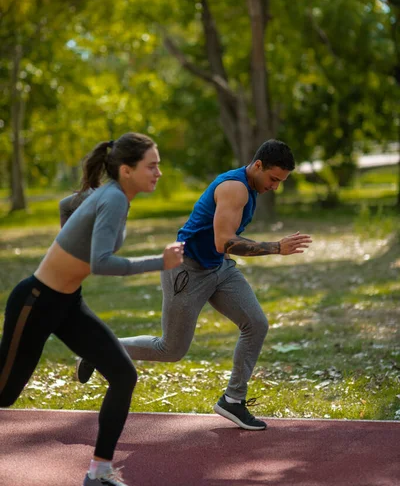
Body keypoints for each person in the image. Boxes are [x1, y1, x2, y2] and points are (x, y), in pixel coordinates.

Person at [77, 139, 312, 431]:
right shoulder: (234, 188)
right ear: (258, 165)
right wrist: (276, 247)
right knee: (170, 350)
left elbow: (220, 246)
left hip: (219, 268)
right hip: (186, 271)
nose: (275, 186)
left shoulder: (250, 187)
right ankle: (97, 350)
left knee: (256, 324)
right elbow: (223, 241)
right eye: (273, 179)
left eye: (281, 182)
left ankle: (233, 400)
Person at [0, 132, 184, 486]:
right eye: (153, 165)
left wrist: (69, 242)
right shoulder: (112, 198)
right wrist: (159, 262)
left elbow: (68, 205)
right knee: (4, 394)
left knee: (123, 374)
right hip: (36, 301)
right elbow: (101, 263)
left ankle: (99, 472)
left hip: (68, 303)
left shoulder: (113, 195)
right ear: (127, 170)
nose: (159, 172)